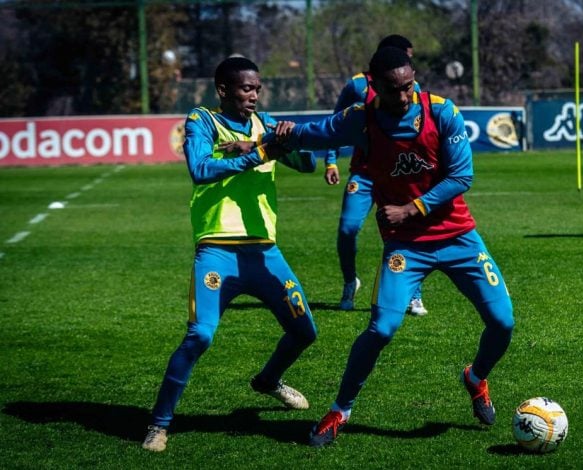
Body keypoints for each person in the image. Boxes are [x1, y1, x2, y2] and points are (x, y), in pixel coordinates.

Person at [272, 47, 515, 447]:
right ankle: (339, 410)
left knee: (503, 323)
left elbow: (461, 176)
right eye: (392, 88)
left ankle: (475, 377)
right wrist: (277, 133)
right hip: (407, 247)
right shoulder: (362, 119)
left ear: (414, 78)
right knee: (382, 328)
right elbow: (319, 131)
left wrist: (411, 208)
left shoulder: (442, 112)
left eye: (408, 86)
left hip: (458, 237)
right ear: (374, 83)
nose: (403, 96)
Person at [142, 57, 318, 452]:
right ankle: (158, 424)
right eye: (245, 88)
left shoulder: (265, 124)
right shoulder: (201, 120)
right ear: (223, 89)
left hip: (265, 252)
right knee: (200, 334)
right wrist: (259, 153)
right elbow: (200, 169)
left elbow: (305, 164)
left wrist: (288, 140)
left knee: (305, 331)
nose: (253, 95)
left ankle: (268, 381)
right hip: (217, 249)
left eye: (257, 88)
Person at [325, 34, 428, 316]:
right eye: (407, 55)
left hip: (396, 173)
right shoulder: (357, 85)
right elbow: (336, 124)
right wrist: (331, 161)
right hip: (364, 172)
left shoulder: (413, 89)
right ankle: (350, 282)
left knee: (404, 231)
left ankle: (413, 294)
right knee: (347, 229)